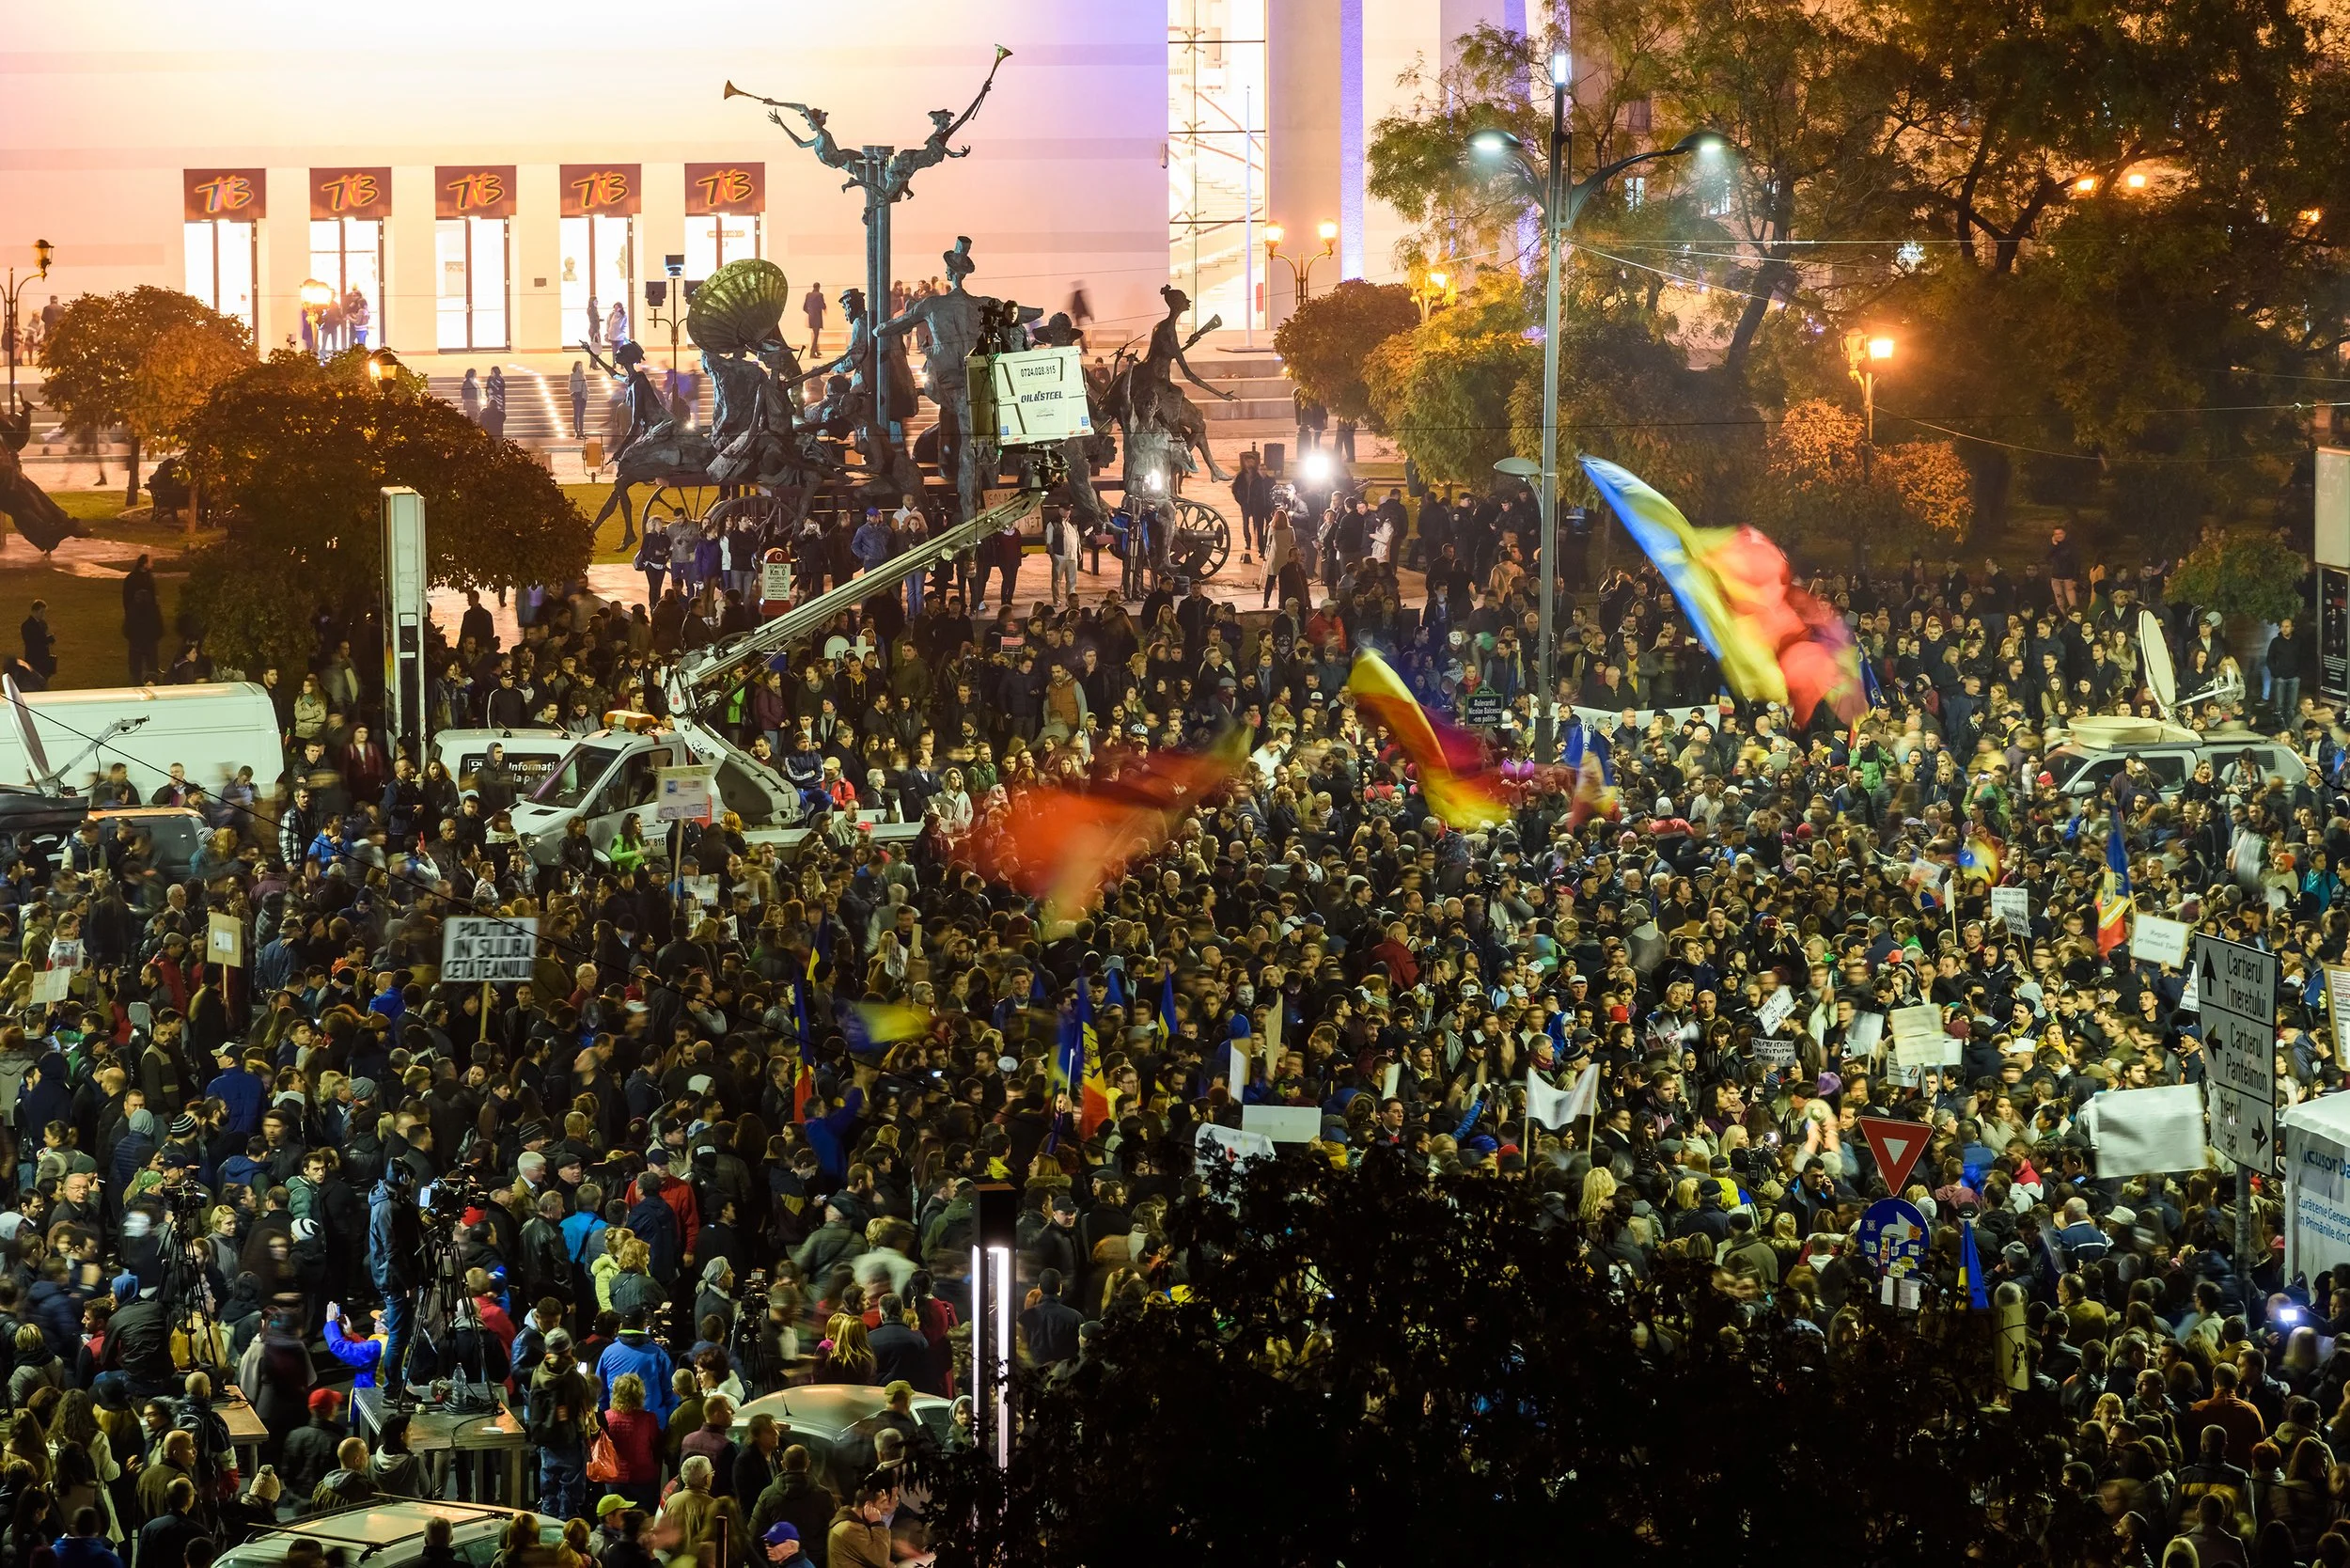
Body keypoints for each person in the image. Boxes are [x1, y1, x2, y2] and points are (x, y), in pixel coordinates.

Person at [571, 361, 591, 442]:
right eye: (579, 365)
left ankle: (581, 431)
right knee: (576, 414)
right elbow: (571, 387)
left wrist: (587, 391)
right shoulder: (573, 376)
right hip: (577, 396)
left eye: (581, 365)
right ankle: (577, 432)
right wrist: (577, 391)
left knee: (581, 415)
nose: (581, 367)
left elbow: (585, 385)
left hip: (583, 396)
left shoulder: (583, 375)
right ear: (576, 366)